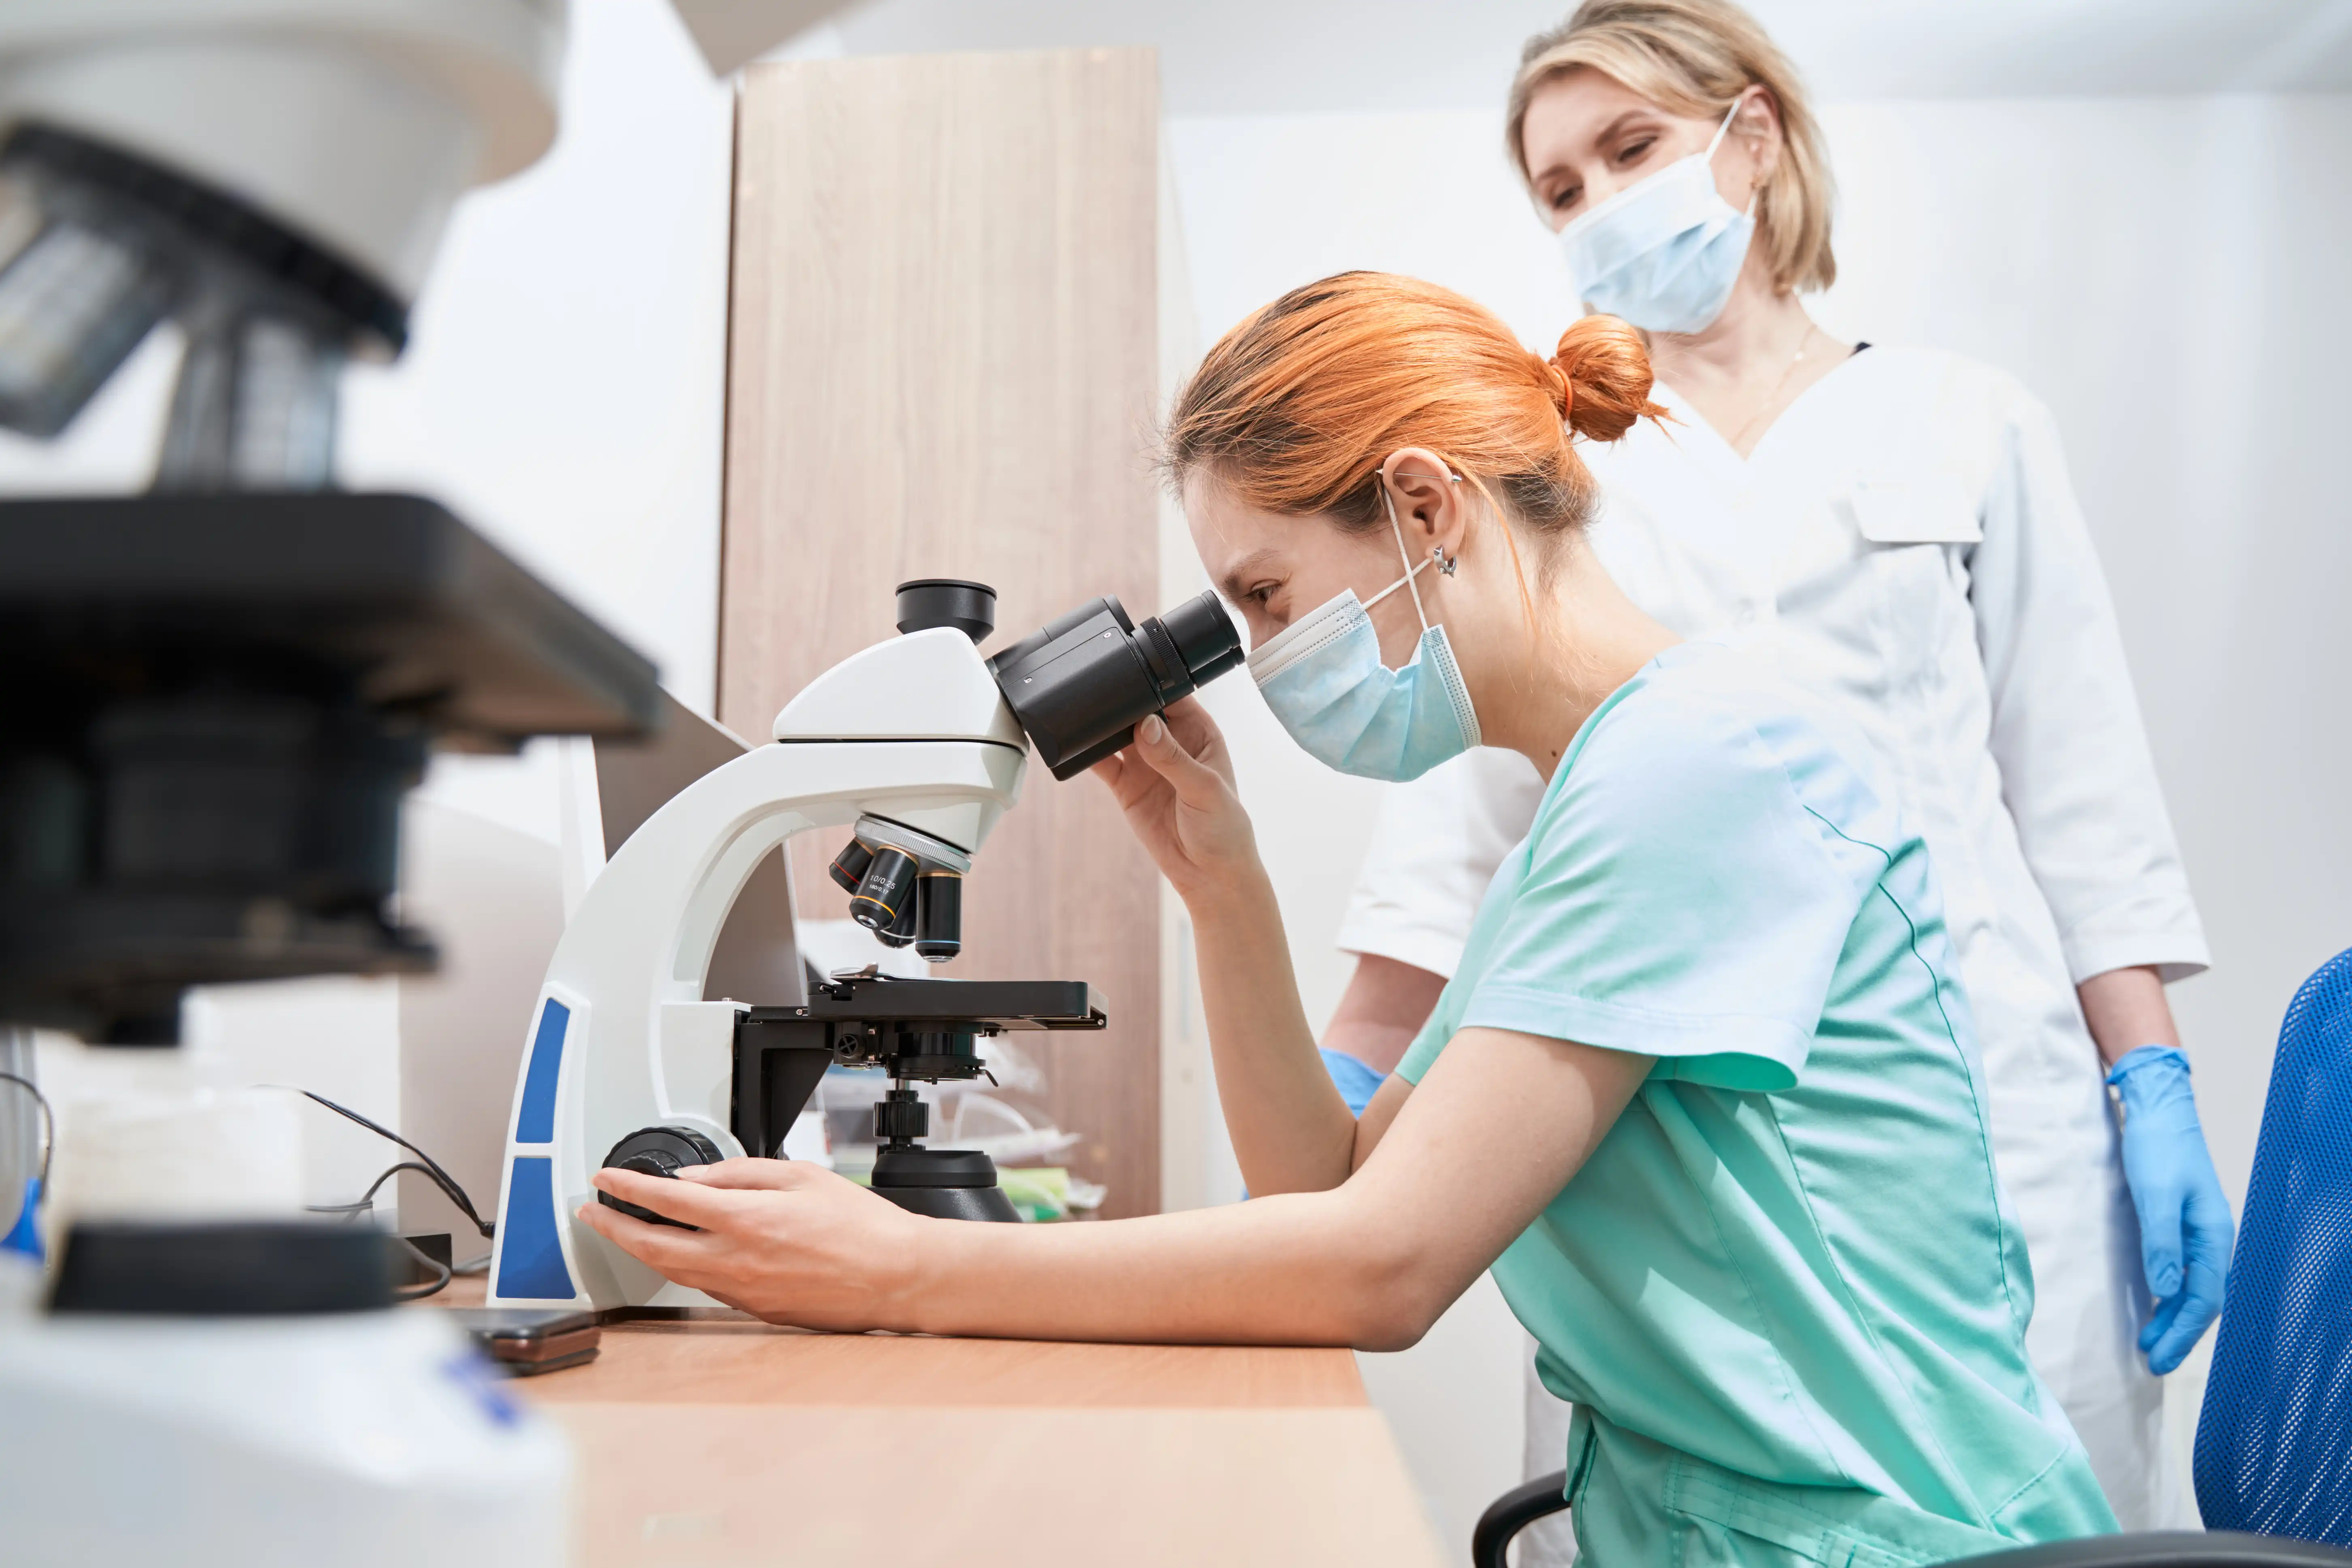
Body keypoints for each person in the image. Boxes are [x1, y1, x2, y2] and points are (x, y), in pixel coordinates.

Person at [585, 274, 2121, 1567]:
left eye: (1261, 595)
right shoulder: (1585, 804)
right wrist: (1223, 883)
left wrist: (903, 1272)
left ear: (1422, 508)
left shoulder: (1698, 767)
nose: (1250, 655)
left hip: (1880, 1537)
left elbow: (1383, 1271)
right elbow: (1326, 1182)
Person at [1322, 0, 2229, 1537]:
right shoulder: (1552, 476)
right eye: (1560, 189)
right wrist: (1341, 1108)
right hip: (1657, 1143)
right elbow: (1472, 816)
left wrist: (2149, 1077)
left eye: (1631, 149)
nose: (1600, 204)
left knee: (2024, 1520)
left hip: (1978, 1087)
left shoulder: (1968, 421)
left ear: (1752, 141)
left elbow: (2075, 791)